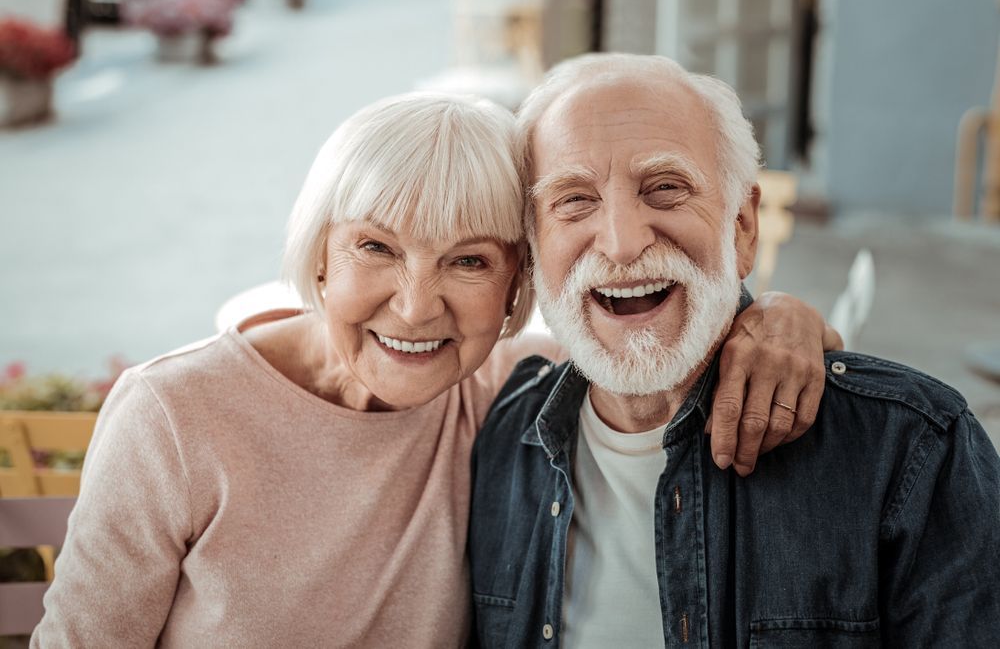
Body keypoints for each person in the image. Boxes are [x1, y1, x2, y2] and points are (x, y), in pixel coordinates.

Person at [33, 92, 834, 648]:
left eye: (468, 260)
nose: (416, 308)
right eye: (375, 247)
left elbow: (665, 340)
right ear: (319, 255)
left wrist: (779, 318)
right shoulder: (173, 417)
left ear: (518, 287)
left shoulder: (505, 391)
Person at [468, 53, 1000, 647]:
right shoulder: (494, 438)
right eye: (573, 199)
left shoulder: (910, 450)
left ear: (743, 226)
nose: (621, 243)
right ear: (534, 245)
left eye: (665, 189)